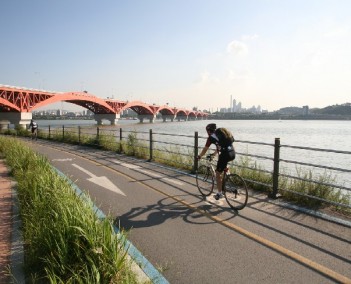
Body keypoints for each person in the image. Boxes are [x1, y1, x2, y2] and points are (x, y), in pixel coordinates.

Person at [197, 123, 235, 200]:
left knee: (217, 174)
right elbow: (220, 146)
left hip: (225, 154)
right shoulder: (222, 133)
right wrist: (214, 154)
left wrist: (200, 156)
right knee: (223, 167)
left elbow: (205, 149)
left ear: (208, 131)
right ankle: (228, 179)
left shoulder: (211, 137)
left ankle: (220, 193)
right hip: (232, 153)